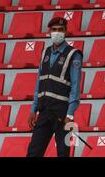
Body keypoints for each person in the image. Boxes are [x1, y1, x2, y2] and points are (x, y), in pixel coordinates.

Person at [26, 16, 83, 157]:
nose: (57, 33)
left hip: (62, 113)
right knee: (33, 152)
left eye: (60, 30)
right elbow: (39, 83)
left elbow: (75, 87)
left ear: (66, 32)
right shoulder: (44, 53)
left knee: (63, 153)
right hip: (44, 111)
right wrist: (33, 109)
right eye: (54, 30)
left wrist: (70, 114)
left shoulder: (73, 55)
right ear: (49, 31)